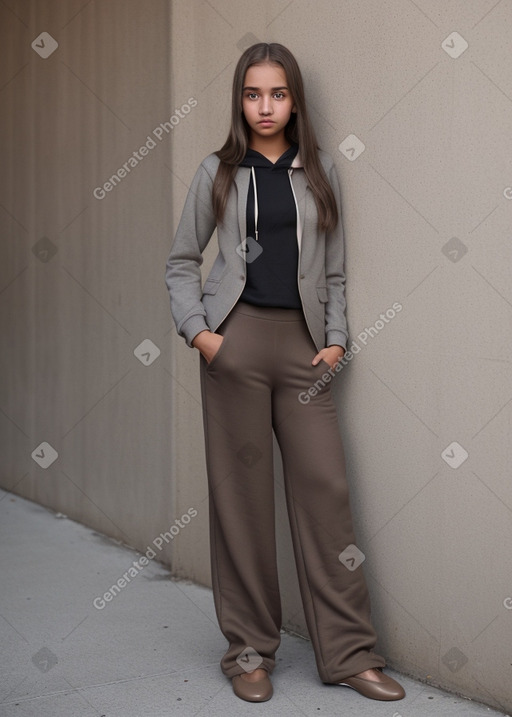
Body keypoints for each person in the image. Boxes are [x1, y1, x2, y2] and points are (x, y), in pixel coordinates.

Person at [164, 42, 405, 704]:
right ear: (240, 101)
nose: (264, 106)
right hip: (234, 348)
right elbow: (182, 260)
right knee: (241, 502)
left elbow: (333, 269)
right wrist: (203, 335)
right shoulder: (217, 170)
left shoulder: (321, 171)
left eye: (276, 94)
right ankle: (248, 651)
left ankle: (352, 652)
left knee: (326, 491)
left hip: (303, 353)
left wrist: (334, 342)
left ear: (294, 100)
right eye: (252, 94)